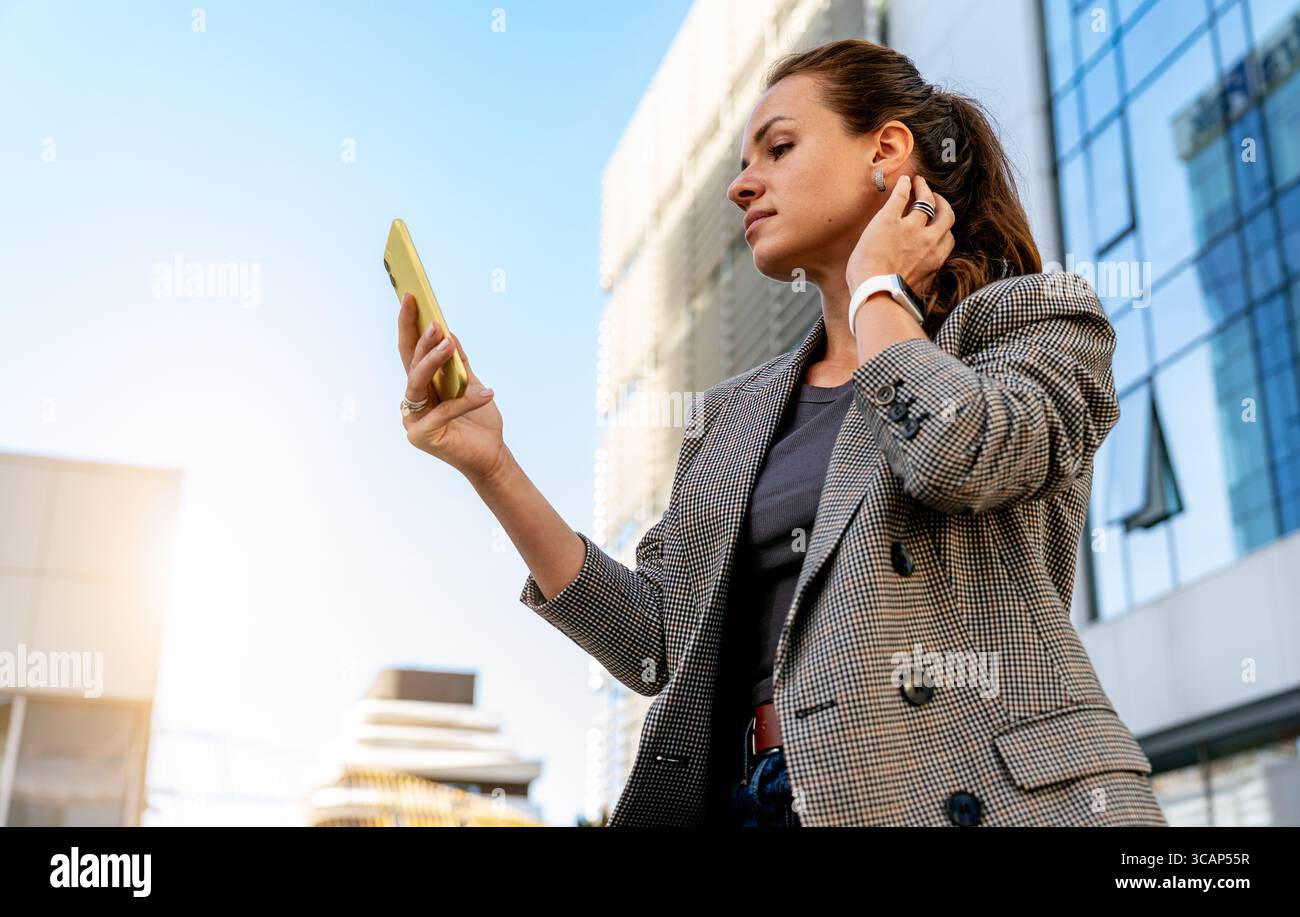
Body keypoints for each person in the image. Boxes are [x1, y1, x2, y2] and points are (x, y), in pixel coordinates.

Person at [394, 38, 1167, 827]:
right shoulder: (732, 415)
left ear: (888, 151)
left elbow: (957, 451)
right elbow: (654, 643)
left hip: (972, 795)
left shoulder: (1028, 321)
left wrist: (877, 291)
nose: (740, 185)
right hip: (762, 800)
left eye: (780, 147)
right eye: (742, 161)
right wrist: (492, 465)